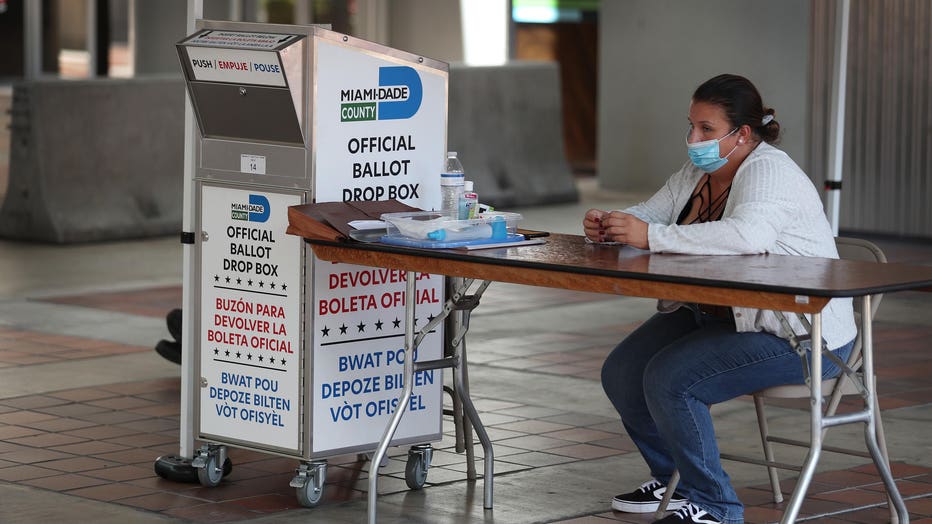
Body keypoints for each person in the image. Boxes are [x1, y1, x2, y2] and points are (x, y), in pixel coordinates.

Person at [584, 74, 856, 524]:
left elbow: (747, 236)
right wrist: (613, 223)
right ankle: (672, 480)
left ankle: (716, 506)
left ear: (742, 134)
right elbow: (651, 214)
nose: (693, 139)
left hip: (801, 332)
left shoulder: (770, 171)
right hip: (725, 314)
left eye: (706, 129)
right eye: (691, 126)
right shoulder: (698, 172)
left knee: (671, 379)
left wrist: (650, 236)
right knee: (623, 372)